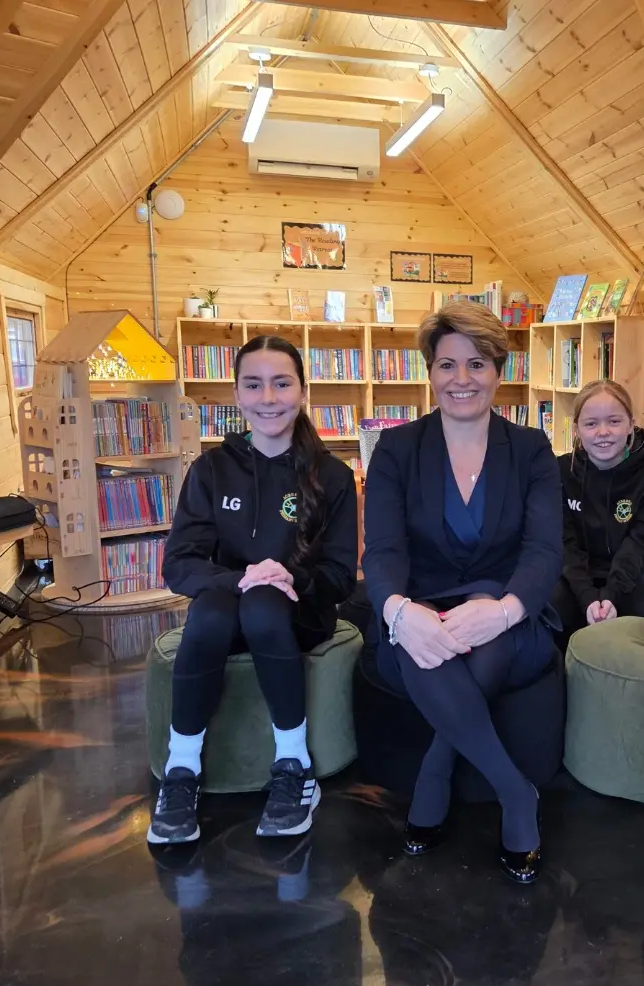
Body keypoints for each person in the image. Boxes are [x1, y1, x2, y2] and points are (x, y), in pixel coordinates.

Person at [361, 300, 562, 884]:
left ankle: (435, 773)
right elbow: (382, 552)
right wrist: (400, 612)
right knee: (425, 646)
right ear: (430, 372)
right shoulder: (397, 449)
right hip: (418, 607)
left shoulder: (532, 449)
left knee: (488, 646)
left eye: (477, 364)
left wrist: (504, 611)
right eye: (447, 365)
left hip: (506, 611)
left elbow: (544, 551)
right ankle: (515, 791)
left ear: (499, 371)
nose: (461, 379)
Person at [148, 335, 358, 845]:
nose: (268, 398)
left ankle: (294, 765)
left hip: (298, 615)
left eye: (282, 384)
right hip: (226, 610)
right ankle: (181, 770)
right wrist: (239, 578)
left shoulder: (332, 475)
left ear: (303, 391)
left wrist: (291, 578)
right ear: (237, 395)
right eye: (254, 385)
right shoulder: (210, 470)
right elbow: (178, 564)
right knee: (212, 612)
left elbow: (339, 576)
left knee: (263, 605)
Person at [552, 379, 644, 644]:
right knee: (549, 604)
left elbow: (641, 544)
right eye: (591, 424)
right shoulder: (559, 472)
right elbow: (564, 543)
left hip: (631, 577)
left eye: (614, 421)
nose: (603, 432)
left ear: (630, 424)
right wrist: (587, 596)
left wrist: (611, 595)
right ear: (576, 429)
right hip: (574, 577)